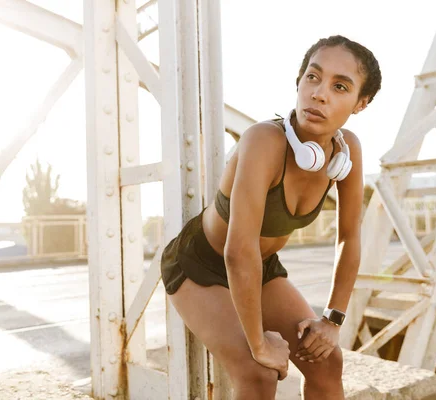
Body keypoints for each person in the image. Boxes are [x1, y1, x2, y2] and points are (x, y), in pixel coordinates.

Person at [161, 35, 382, 400]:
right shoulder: (265, 140)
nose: (319, 93)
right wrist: (260, 343)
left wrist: (332, 320)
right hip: (200, 263)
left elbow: (349, 238)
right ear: (299, 81)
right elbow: (237, 251)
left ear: (361, 103)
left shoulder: (347, 151)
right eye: (313, 77)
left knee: (326, 360)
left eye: (339, 86)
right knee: (258, 371)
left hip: (260, 268)